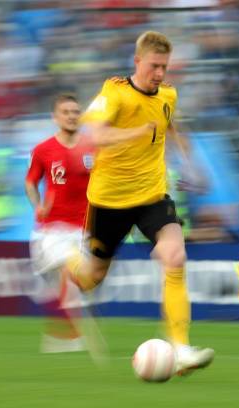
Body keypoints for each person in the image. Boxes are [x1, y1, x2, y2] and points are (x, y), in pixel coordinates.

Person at [66, 31, 214, 374]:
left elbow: (170, 125)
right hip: (108, 202)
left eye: (164, 66)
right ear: (137, 62)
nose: (159, 73)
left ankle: (180, 350)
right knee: (91, 278)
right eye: (153, 66)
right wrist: (136, 132)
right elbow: (96, 135)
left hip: (151, 196)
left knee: (175, 255)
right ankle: (68, 263)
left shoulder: (168, 95)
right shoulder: (114, 91)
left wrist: (194, 165)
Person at [25, 93, 94, 353]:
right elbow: (30, 182)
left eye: (76, 111)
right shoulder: (43, 150)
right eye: (66, 112)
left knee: (72, 281)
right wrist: (38, 204)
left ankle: (66, 335)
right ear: (55, 118)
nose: (72, 116)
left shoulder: (92, 148)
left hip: (85, 230)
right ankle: (72, 332)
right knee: (67, 270)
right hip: (52, 231)